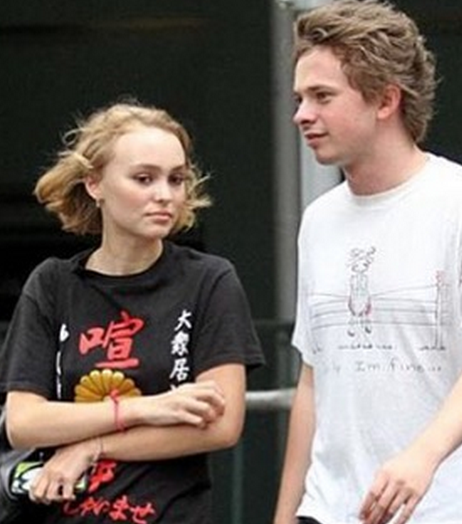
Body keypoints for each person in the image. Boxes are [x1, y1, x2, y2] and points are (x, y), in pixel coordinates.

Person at [273, 1, 462, 524]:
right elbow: (314, 379)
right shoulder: (318, 221)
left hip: (457, 510)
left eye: (322, 96)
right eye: (299, 98)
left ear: (386, 99)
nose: (301, 114)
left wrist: (422, 456)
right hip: (333, 509)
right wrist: (287, 513)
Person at [0, 100, 265, 524]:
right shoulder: (52, 285)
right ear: (94, 184)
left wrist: (94, 445)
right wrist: (148, 408)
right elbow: (24, 421)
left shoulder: (209, 280)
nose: (165, 195)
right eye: (144, 178)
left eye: (176, 179)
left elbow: (221, 424)